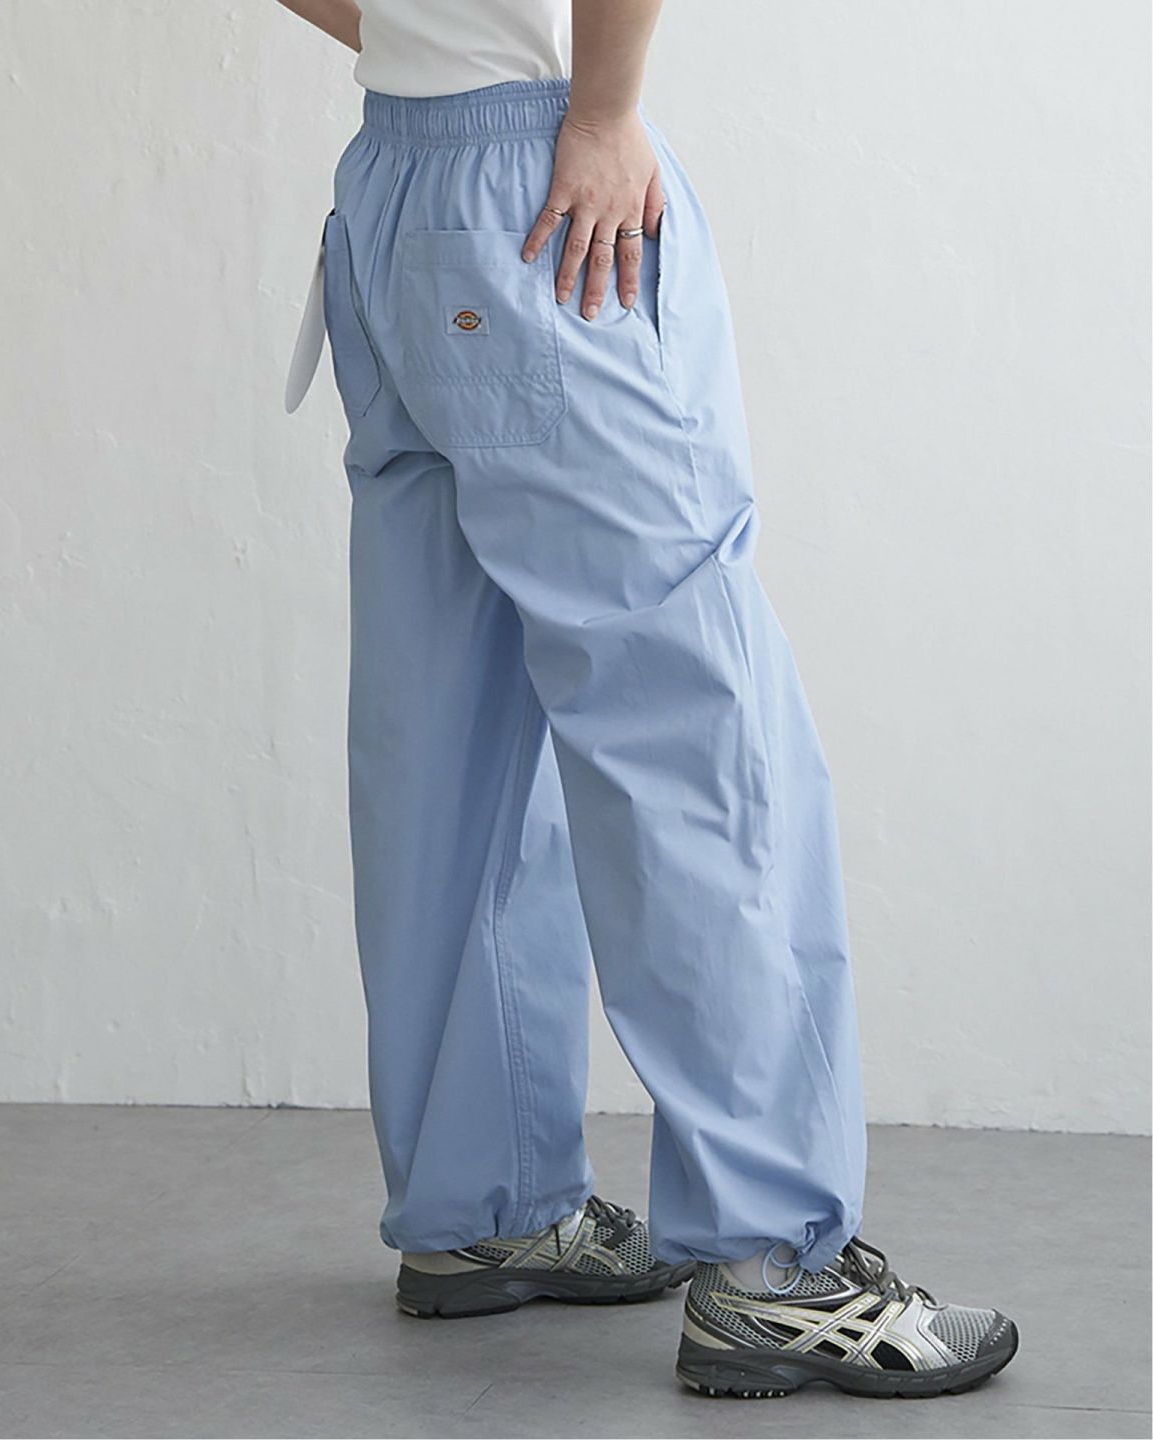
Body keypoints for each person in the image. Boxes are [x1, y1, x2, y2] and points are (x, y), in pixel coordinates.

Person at [277, 0, 1018, 1399]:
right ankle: (773, 1266)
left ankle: (483, 1208)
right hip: (542, 189)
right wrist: (604, 111)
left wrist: (430, 41)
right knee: (696, 733)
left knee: (449, 736)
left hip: (391, 184)